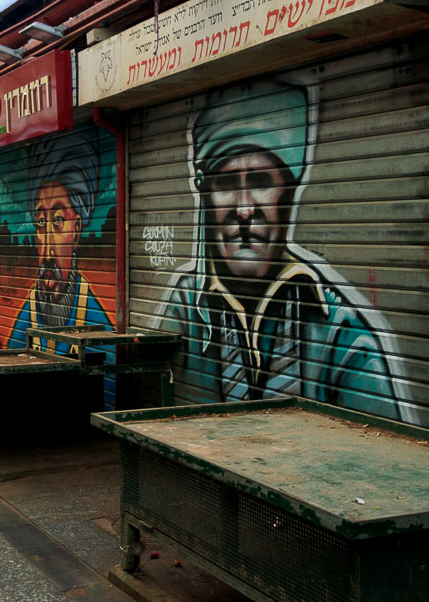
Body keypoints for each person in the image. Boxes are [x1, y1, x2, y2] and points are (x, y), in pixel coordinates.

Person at [157, 82, 414, 423]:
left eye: (262, 183)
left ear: (289, 198)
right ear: (205, 197)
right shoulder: (186, 307)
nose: (245, 208)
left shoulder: (339, 328)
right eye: (228, 185)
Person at [7, 130, 113, 354]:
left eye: (57, 221)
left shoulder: (91, 313)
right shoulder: (31, 312)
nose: (47, 251)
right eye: (40, 222)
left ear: (76, 231)